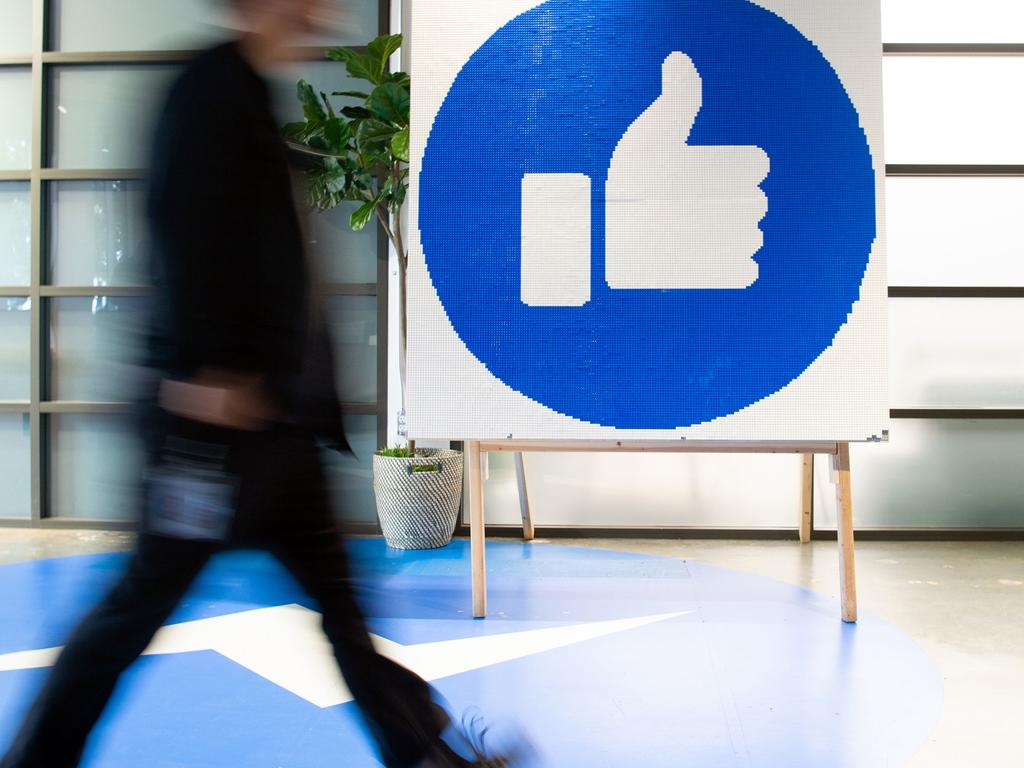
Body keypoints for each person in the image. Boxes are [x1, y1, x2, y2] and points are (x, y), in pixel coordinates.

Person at [0, 2, 524, 767]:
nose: (318, 12)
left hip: (277, 430)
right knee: (135, 610)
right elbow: (177, 229)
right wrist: (197, 379)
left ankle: (423, 756)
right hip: (208, 434)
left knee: (344, 612)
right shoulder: (207, 89)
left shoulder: (249, 91)